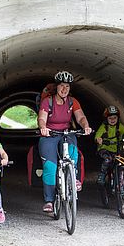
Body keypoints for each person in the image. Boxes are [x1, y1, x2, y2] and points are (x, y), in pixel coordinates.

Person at [38, 71, 92, 213]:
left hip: (66, 133)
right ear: (56, 87)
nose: (64, 89)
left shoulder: (72, 102)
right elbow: (42, 118)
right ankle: (49, 200)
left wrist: (85, 126)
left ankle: (73, 178)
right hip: (50, 134)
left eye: (67, 86)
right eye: (61, 86)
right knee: (50, 167)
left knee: (73, 154)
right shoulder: (47, 101)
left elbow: (80, 117)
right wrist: (43, 128)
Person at [94, 105, 124, 187]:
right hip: (104, 148)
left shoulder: (119, 126)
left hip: (116, 149)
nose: (112, 120)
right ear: (106, 119)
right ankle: (102, 175)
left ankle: (118, 179)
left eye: (114, 118)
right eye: (110, 118)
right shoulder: (104, 127)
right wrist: (98, 139)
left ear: (118, 118)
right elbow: (98, 134)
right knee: (107, 159)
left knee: (117, 162)